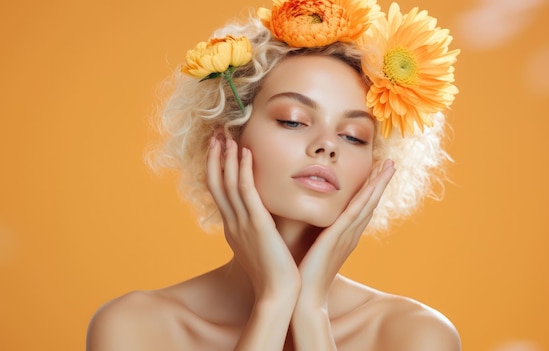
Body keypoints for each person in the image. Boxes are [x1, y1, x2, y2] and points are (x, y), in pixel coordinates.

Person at [86, 0, 460, 350]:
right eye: (292, 121)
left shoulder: (413, 335)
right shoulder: (136, 329)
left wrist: (311, 309)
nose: (328, 146)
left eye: (353, 136)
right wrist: (276, 299)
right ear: (228, 135)